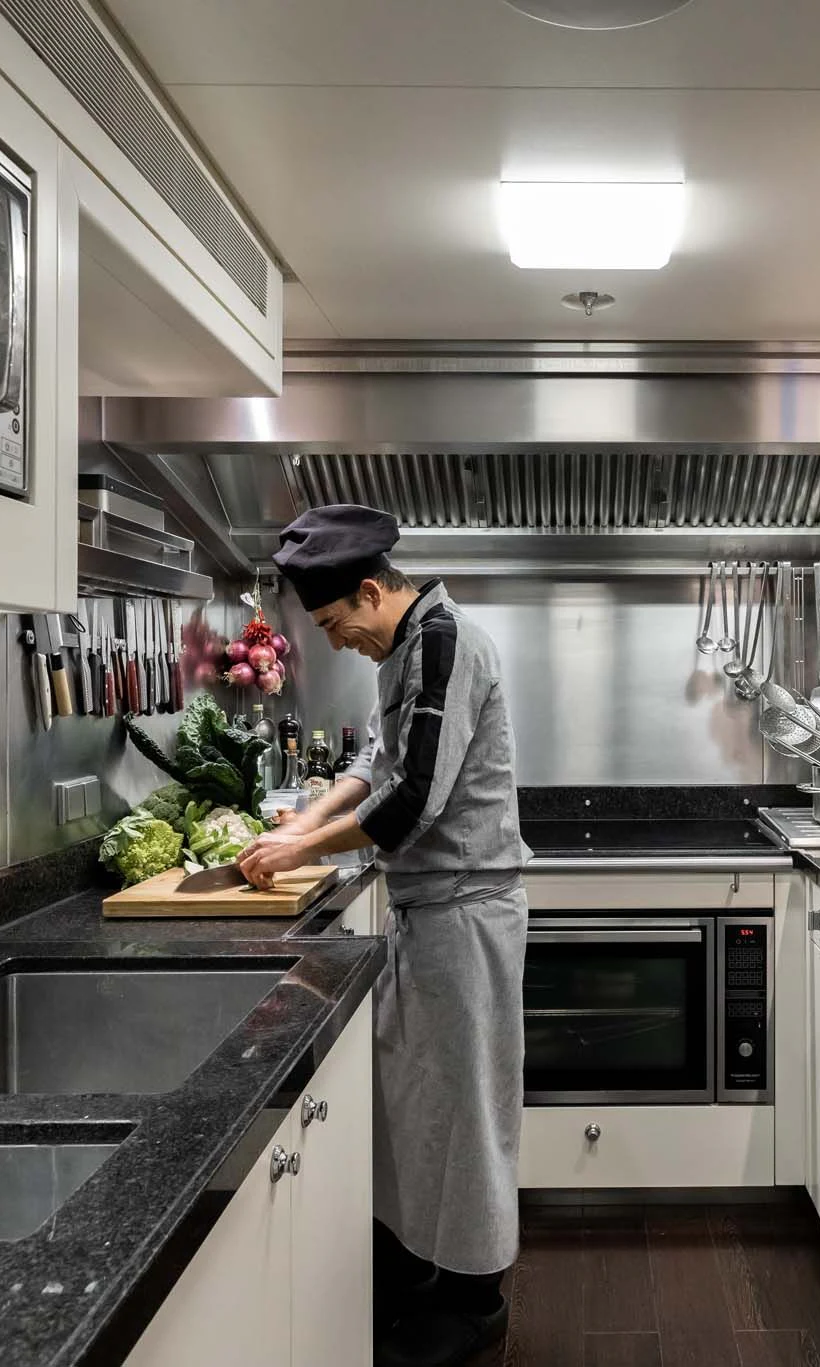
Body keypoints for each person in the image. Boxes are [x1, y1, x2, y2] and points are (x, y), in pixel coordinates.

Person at [236, 504, 530, 1367]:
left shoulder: (444, 642)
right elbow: (375, 762)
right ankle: (424, 1276)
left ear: (370, 591)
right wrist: (304, 818)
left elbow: (409, 805)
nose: (334, 642)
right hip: (428, 912)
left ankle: (478, 1302)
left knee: (467, 1107)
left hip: (466, 911)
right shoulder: (403, 647)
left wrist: (297, 845)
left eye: (334, 624)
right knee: (417, 1103)